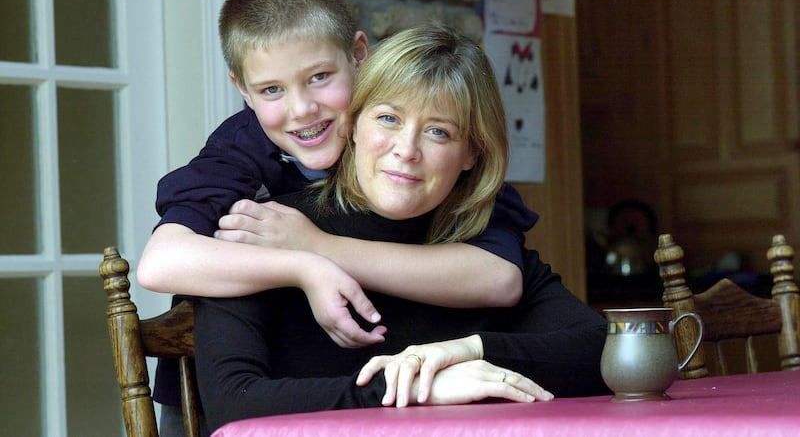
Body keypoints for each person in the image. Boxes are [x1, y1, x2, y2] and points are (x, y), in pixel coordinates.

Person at [137, 0, 536, 434]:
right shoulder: (239, 151)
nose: (303, 109)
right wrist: (306, 267)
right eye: (272, 89)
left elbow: (500, 279)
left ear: (359, 55)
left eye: (320, 76)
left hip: (359, 386)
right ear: (242, 90)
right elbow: (160, 264)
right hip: (220, 403)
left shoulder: (391, 146)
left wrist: (321, 247)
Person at [193, 23, 610, 434]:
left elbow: (605, 352)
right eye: (389, 118)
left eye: (438, 132)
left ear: (471, 153)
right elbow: (233, 405)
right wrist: (414, 389)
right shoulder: (265, 231)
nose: (407, 151)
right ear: (352, 126)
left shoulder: (478, 247)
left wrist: (465, 351)